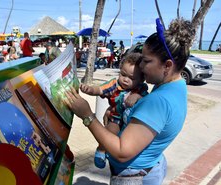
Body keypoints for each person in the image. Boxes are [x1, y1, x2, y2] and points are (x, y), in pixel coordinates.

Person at [64, 17, 196, 185]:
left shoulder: (159, 101)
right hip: (150, 166)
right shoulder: (175, 85)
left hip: (134, 176)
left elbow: (122, 151)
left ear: (167, 65)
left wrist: (87, 115)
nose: (140, 67)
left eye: (147, 61)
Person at [80, 52, 148, 169]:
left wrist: (137, 97)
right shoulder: (115, 85)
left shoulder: (140, 90)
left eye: (132, 78)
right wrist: (89, 89)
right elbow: (101, 89)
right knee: (110, 131)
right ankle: (101, 149)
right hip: (116, 118)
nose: (126, 80)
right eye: (123, 74)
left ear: (141, 80)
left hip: (132, 123)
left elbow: (147, 101)